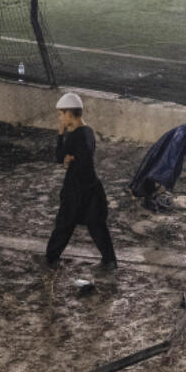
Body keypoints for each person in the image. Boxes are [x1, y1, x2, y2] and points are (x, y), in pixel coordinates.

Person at [44, 93, 117, 271]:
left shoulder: (75, 135)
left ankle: (50, 258)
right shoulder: (88, 131)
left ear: (69, 113)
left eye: (61, 114)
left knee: (64, 224)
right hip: (91, 185)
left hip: (76, 188)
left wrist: (61, 136)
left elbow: (59, 156)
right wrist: (70, 158)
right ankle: (110, 260)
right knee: (96, 224)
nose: (60, 118)